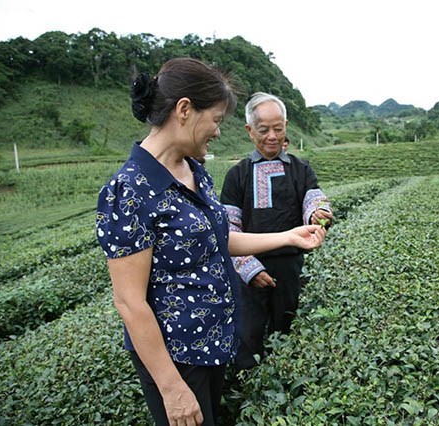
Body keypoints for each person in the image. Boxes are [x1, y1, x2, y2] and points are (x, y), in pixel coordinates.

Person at [95, 59, 326, 426]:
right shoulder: (129, 191)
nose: (218, 132)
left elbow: (218, 239)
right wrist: (171, 388)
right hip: (177, 358)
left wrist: (288, 235)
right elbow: (128, 301)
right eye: (216, 119)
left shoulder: (194, 170)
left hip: (214, 342)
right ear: (184, 110)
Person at [220, 92, 333, 370]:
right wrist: (249, 268)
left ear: (286, 126)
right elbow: (229, 228)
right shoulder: (238, 175)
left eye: (278, 128)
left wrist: (319, 214)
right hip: (250, 271)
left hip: (289, 266)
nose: (272, 136)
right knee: (249, 336)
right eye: (263, 130)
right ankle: (249, 392)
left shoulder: (300, 168)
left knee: (287, 328)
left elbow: (313, 199)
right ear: (249, 131)